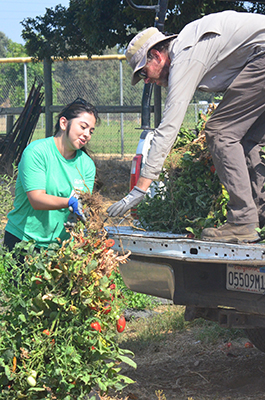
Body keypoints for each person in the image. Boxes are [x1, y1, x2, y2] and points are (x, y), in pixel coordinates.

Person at [107, 10, 265, 243]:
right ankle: (258, 217)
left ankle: (242, 220)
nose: (147, 80)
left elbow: (168, 128)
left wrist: (140, 188)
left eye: (144, 72)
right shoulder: (191, 43)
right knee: (248, 139)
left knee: (220, 132)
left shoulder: (185, 55)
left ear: (157, 55)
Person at [4, 98, 99, 251]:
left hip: (61, 247)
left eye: (91, 131)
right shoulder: (37, 153)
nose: (87, 134)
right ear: (63, 123)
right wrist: (69, 202)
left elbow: (83, 202)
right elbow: (36, 199)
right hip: (24, 242)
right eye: (83, 127)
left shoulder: (86, 165)